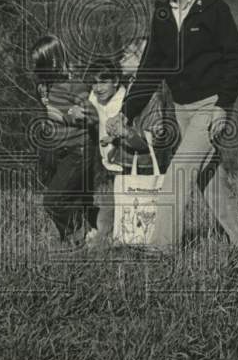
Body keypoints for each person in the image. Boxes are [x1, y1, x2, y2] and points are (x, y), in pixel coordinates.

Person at [117, 0, 238, 249]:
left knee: (177, 174)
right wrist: (126, 110)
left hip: (210, 107)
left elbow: (236, 59)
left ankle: (161, 250)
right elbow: (150, 67)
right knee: (208, 178)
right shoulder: (162, 13)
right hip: (182, 108)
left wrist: (223, 106)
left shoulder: (213, 8)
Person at [98, 36, 179, 248]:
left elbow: (153, 140)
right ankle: (118, 244)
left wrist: (125, 134)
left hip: (143, 166)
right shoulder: (132, 88)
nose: (122, 55)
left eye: (129, 52)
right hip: (130, 162)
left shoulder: (152, 95)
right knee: (116, 212)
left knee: (134, 215)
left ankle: (133, 246)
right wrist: (115, 135)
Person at [31, 34, 98, 247]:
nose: (36, 70)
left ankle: (81, 233)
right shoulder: (44, 87)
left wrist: (75, 114)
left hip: (78, 150)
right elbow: (48, 112)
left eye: (39, 65)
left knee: (53, 201)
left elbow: (93, 115)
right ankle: (78, 242)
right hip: (59, 151)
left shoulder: (73, 86)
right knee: (75, 199)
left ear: (52, 62)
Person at [87, 59, 126, 174]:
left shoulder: (123, 100)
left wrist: (113, 138)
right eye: (94, 82)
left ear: (115, 81)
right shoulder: (94, 96)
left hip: (122, 162)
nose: (98, 88)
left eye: (103, 82)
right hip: (103, 160)